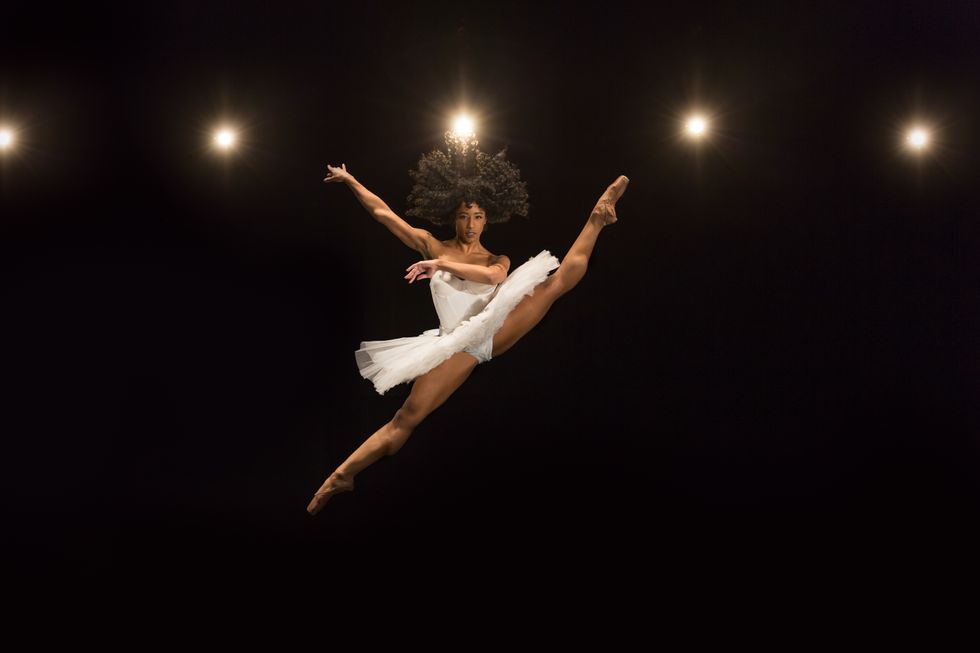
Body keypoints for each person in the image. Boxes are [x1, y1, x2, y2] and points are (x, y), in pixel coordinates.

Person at [307, 131, 628, 515]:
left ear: (488, 217)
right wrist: (351, 181)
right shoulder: (431, 244)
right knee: (406, 418)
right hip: (453, 342)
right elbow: (384, 215)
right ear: (453, 217)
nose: (471, 224)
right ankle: (342, 474)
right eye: (463, 216)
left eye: (477, 216)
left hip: (493, 323)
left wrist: (440, 265)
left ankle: (596, 219)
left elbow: (495, 279)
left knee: (553, 284)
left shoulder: (496, 257)